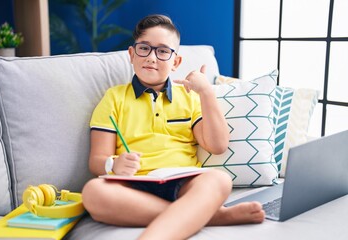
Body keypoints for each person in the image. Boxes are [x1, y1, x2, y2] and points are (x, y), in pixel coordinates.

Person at [82, 14, 265, 240]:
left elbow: (218, 145)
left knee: (220, 180)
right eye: (144, 49)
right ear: (132, 54)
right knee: (92, 192)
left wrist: (206, 92)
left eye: (162, 51)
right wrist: (113, 164)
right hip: (132, 188)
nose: (151, 57)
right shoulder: (113, 98)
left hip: (184, 182)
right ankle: (213, 216)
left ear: (175, 62)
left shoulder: (189, 97)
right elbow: (96, 160)